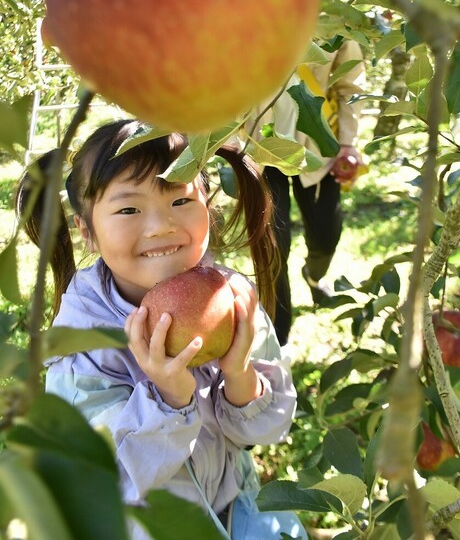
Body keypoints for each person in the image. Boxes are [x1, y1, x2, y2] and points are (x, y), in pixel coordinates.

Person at [16, 119, 307, 540]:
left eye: (180, 200)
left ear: (208, 203)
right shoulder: (83, 340)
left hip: (237, 507)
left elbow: (267, 430)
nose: (160, 226)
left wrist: (240, 374)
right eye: (129, 208)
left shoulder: (228, 299)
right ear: (88, 231)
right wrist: (169, 398)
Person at [251, 39, 366, 345]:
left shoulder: (332, 15)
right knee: (274, 245)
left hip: (320, 142)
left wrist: (348, 142)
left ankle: (314, 276)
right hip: (262, 150)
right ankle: (280, 333)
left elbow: (349, 84)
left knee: (327, 233)